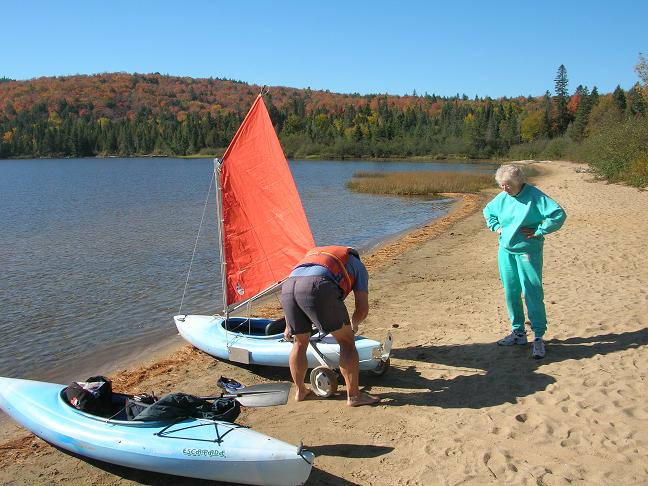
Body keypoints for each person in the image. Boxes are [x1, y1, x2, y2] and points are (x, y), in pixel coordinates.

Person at [483, 164, 566, 359]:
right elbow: (488, 211)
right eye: (502, 185)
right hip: (506, 251)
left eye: (508, 185)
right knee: (511, 291)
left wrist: (540, 231)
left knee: (532, 291)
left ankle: (538, 337)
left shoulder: (535, 196)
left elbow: (558, 214)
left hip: (528, 251)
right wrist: (496, 227)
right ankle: (518, 332)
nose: (505, 189)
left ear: (519, 182)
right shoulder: (502, 197)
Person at [280, 245, 380, 406]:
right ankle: (354, 396)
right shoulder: (357, 265)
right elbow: (362, 308)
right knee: (346, 343)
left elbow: (297, 283)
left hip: (288, 286)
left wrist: (288, 325)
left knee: (299, 342)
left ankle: (300, 391)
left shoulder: (313, 255)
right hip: (317, 286)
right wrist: (353, 325)